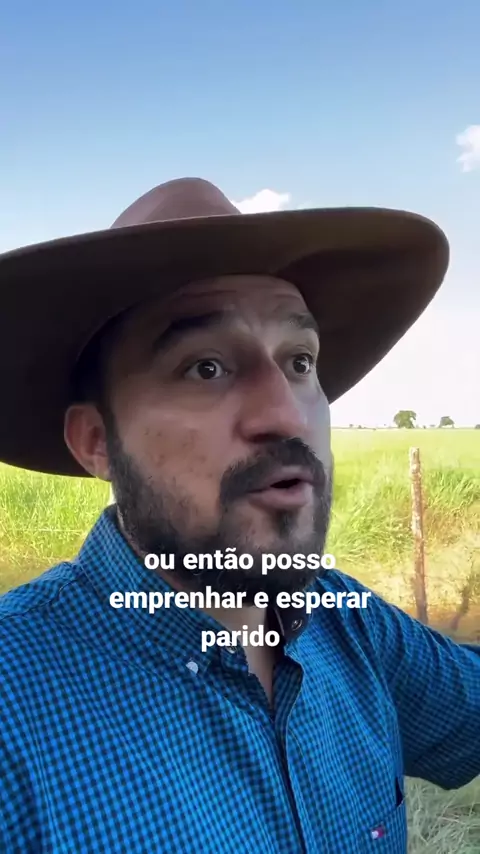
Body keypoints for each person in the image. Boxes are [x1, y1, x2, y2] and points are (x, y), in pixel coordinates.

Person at [0, 177, 478, 854]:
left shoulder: (348, 625)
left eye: (300, 361)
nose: (286, 415)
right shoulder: (14, 714)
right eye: (206, 367)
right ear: (98, 442)